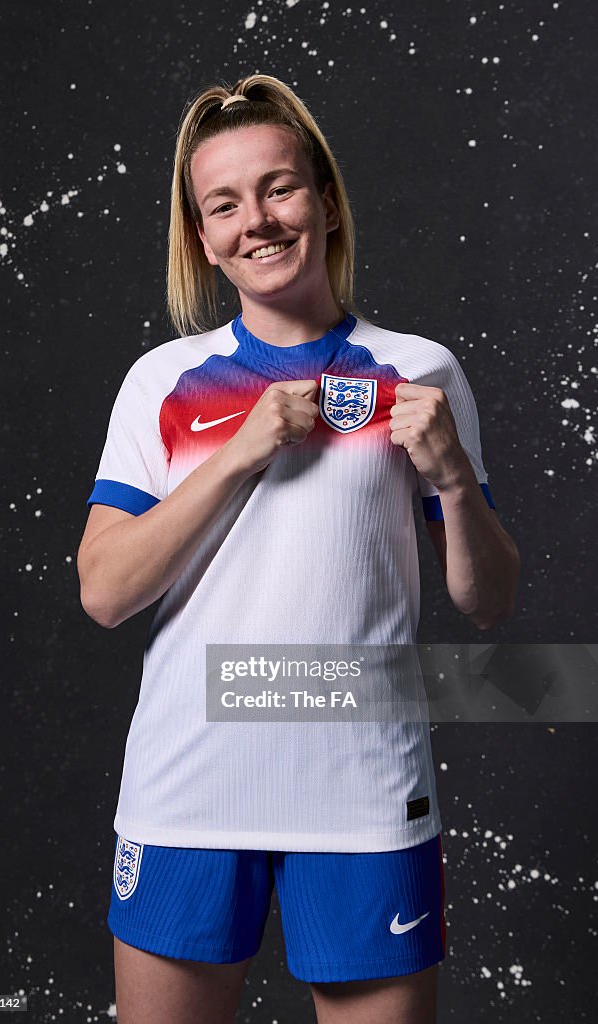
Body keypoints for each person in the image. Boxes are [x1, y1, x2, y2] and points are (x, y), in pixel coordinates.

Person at [77, 74, 520, 1024]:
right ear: (202, 237)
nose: (258, 221)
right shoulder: (164, 380)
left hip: (362, 794)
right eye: (223, 205)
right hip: (186, 791)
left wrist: (449, 478)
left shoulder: (419, 371)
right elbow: (105, 592)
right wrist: (237, 452)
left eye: (278, 188)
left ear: (322, 198)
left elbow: (488, 602)